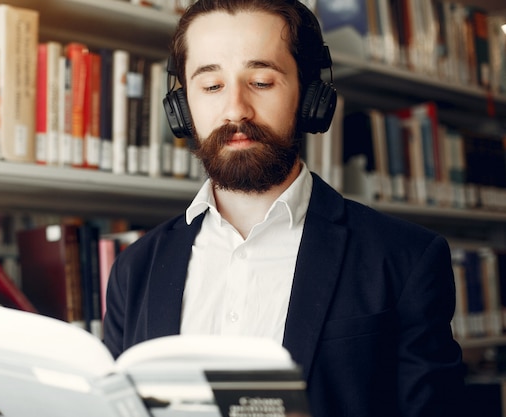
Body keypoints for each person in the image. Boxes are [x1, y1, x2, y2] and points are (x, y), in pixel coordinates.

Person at [103, 0, 465, 416]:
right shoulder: (135, 269)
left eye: (260, 81)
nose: (235, 108)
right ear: (183, 110)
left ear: (310, 98)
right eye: (211, 86)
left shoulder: (404, 259)